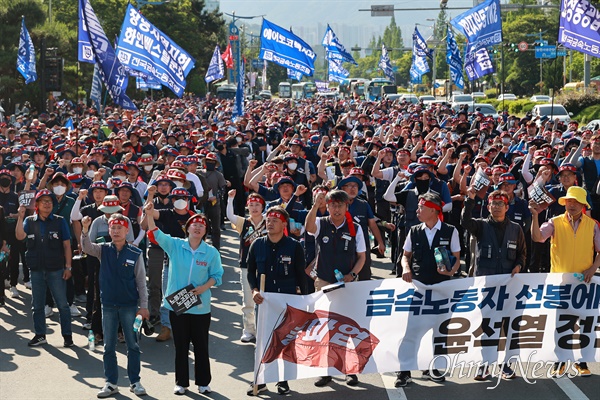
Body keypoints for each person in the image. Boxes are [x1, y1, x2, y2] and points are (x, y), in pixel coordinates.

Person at [145, 203, 223, 396]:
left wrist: (204, 287)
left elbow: (217, 275)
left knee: (201, 346)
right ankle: (181, 383)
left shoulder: (211, 252)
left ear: (205, 231)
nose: (197, 227)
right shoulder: (175, 245)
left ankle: (204, 382)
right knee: (180, 346)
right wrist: (148, 214)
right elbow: (155, 233)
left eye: (202, 225)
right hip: (177, 306)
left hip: (200, 307)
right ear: (187, 228)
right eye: (194, 224)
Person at [530, 185, 598, 377]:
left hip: (585, 283)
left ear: (583, 205)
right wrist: (535, 216)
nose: (572, 205)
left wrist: (593, 268)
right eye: (569, 201)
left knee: (585, 323)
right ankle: (559, 361)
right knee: (562, 323)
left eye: (576, 202)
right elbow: (537, 237)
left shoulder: (592, 225)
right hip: (560, 283)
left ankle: (582, 362)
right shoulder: (554, 222)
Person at [80, 214, 149, 398]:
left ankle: (135, 382)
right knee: (108, 346)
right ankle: (111, 383)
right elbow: (86, 247)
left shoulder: (135, 253)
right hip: (108, 305)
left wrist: (144, 307)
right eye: (113, 228)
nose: (116, 231)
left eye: (120, 228)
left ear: (127, 231)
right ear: (109, 230)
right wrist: (85, 230)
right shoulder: (103, 249)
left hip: (130, 307)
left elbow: (141, 282)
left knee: (133, 345)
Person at [462, 188, 526, 380]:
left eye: (501, 204)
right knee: (488, 326)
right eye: (493, 204)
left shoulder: (516, 228)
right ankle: (485, 365)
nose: (497, 207)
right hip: (487, 286)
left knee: (508, 327)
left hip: (509, 286)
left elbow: (523, 252)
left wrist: (519, 265)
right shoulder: (480, 226)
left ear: (507, 207)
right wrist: (469, 201)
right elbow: (465, 222)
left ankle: (506, 365)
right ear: (488, 206)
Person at [398, 193, 461, 387]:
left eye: (421, 207)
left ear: (433, 210)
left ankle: (434, 368)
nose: (417, 210)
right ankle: (404, 371)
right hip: (419, 287)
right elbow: (405, 255)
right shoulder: (414, 230)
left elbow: (457, 258)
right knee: (412, 331)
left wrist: (451, 269)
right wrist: (406, 268)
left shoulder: (450, 231)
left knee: (439, 331)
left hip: (442, 289)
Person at [305, 190, 366, 388]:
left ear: (347, 206)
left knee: (347, 328)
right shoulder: (321, 223)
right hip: (324, 282)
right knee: (325, 328)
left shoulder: (355, 227)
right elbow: (308, 227)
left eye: (340, 205)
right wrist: (316, 205)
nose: (336, 208)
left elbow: (362, 257)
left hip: (347, 284)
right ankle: (327, 370)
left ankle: (350, 370)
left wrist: (354, 274)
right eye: (332, 205)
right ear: (328, 206)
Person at [246, 206, 307, 396]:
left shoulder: (294, 246)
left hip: (287, 300)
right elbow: (250, 273)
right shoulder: (257, 244)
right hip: (265, 301)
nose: (270, 224)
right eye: (268, 220)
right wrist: (254, 290)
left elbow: (300, 275)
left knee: (285, 342)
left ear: (283, 224)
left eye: (275, 220)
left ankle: (283, 380)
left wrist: (304, 301)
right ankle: (260, 380)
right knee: (263, 342)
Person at [15, 189, 73, 347]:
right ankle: (40, 335)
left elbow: (67, 245)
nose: (47, 204)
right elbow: (20, 236)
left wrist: (68, 267)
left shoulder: (60, 221)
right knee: (37, 305)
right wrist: (20, 217)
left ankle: (67, 336)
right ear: (37, 204)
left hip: (56, 269)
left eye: (50, 201)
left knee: (62, 304)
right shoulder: (29, 220)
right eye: (43, 201)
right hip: (36, 269)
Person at [226, 189, 267, 343]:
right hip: (247, 265)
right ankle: (249, 330)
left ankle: (263, 328)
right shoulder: (244, 222)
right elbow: (230, 216)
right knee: (248, 299)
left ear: (262, 206)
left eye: (257, 205)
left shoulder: (268, 220)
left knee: (265, 297)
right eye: (251, 205)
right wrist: (230, 200)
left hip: (265, 265)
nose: (254, 208)